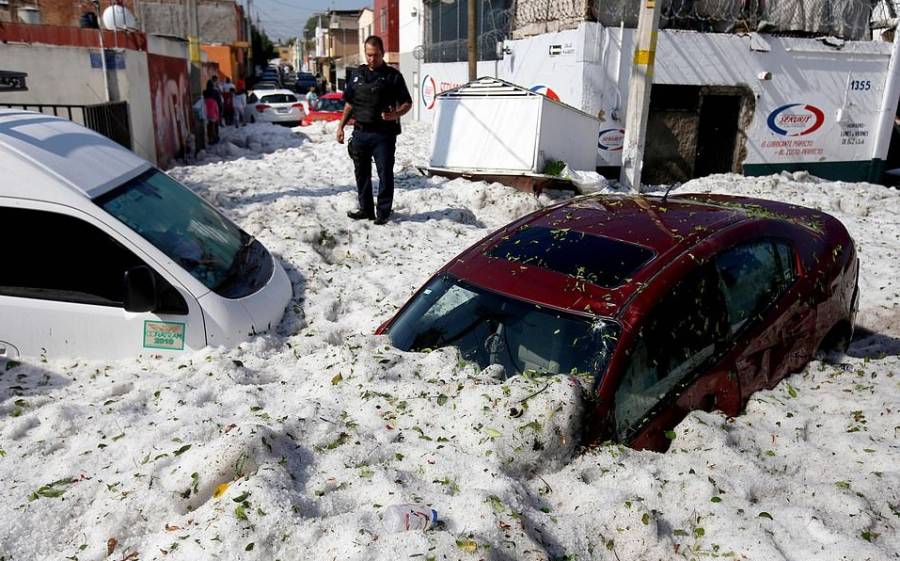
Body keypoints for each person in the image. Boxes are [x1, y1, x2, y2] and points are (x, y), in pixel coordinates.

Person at [337, 35, 412, 225]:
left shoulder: (393, 76)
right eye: (369, 55)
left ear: (383, 53)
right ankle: (366, 209)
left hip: (383, 135)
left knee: (384, 173)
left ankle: (383, 212)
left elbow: (407, 103)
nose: (372, 59)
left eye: (376, 55)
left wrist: (394, 114)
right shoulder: (356, 75)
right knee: (361, 173)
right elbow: (349, 104)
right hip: (360, 132)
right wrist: (341, 126)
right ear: (365, 53)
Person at [203, 79, 220, 144]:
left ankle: (210, 138)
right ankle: (215, 137)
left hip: (206, 111)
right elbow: (218, 101)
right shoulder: (215, 92)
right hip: (214, 109)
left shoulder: (204, 92)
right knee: (215, 125)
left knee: (208, 125)